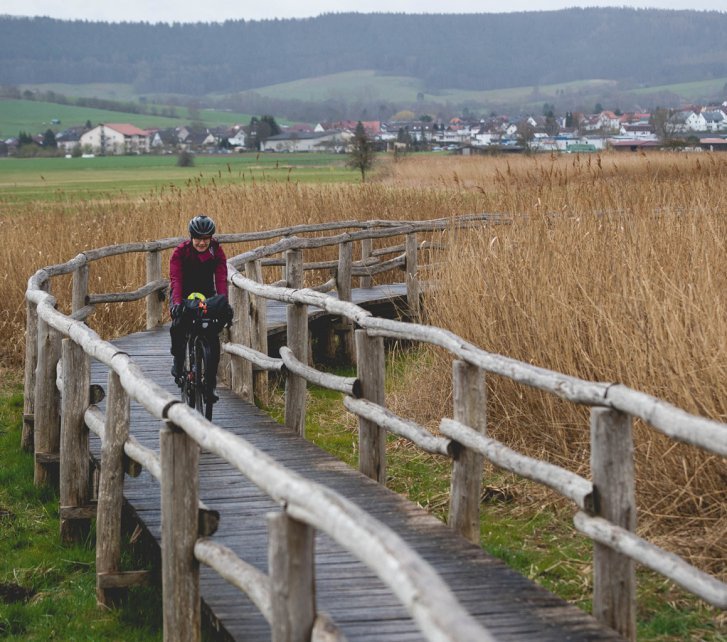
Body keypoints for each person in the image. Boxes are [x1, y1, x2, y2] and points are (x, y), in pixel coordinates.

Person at [169, 215, 229, 399]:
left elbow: (220, 278)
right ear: (191, 237)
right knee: (178, 326)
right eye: (198, 239)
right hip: (185, 296)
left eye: (206, 239)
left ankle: (210, 386)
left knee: (212, 336)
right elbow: (176, 280)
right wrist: (177, 303)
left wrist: (222, 302)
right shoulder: (180, 253)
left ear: (211, 237)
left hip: (206, 298)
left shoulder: (216, 252)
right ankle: (178, 363)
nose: (202, 243)